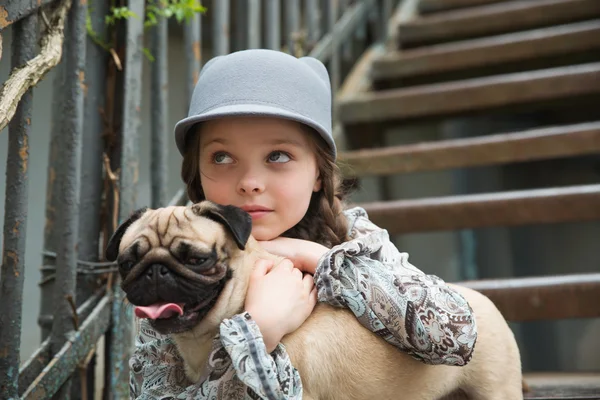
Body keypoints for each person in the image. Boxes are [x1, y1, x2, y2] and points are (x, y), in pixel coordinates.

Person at [129, 49, 477, 399]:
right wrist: (258, 333)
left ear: (318, 174)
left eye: (277, 156)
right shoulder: (174, 269)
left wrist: (315, 257)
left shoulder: (351, 237)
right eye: (222, 157)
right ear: (197, 174)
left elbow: (455, 336)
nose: (250, 181)